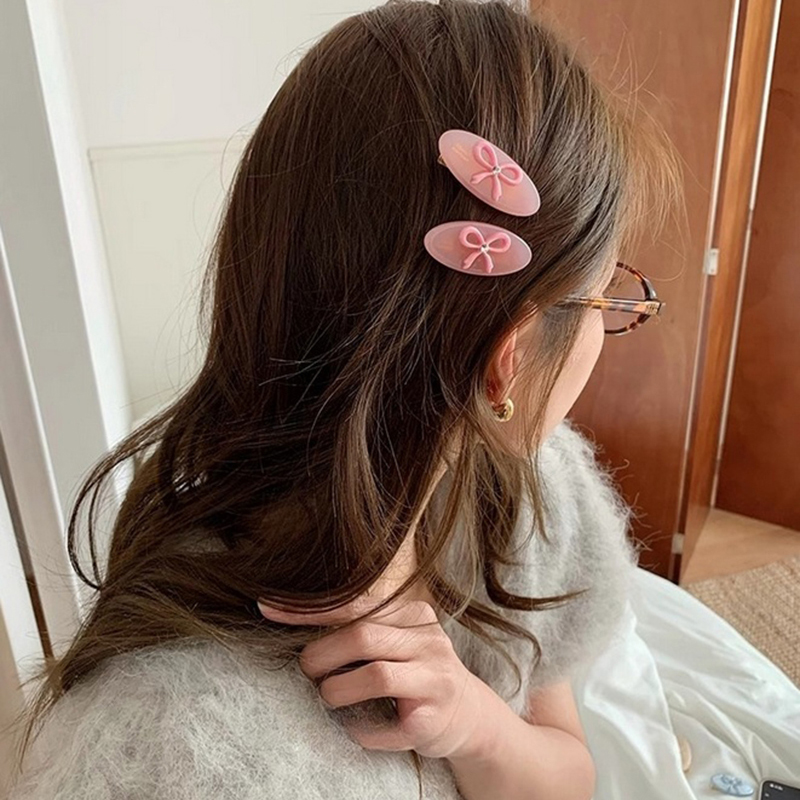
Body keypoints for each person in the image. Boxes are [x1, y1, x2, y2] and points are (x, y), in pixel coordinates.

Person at [5, 1, 680, 797]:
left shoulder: (529, 501)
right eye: (608, 297)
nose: (610, 322)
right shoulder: (188, 755)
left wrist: (475, 723)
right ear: (510, 359)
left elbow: (568, 771)